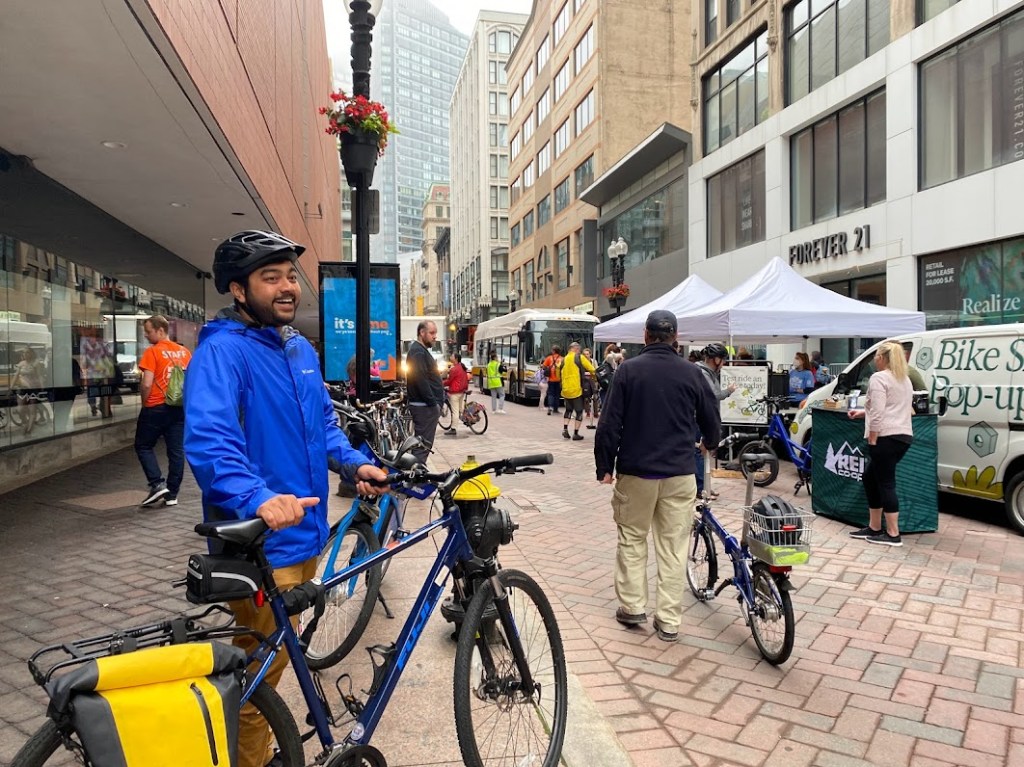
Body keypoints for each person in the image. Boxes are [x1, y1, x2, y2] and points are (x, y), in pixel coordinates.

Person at [183, 230, 389, 767]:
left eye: (290, 276)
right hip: (264, 544)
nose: (287, 287)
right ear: (237, 288)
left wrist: (352, 461)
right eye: (270, 277)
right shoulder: (221, 351)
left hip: (304, 535)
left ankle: (264, 751)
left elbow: (321, 425)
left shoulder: (297, 347)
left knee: (274, 661)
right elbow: (209, 440)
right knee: (258, 685)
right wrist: (257, 497)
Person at [595, 310, 721, 642]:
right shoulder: (692, 373)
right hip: (680, 472)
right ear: (675, 337)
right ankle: (668, 620)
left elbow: (609, 422)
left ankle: (634, 606)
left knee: (633, 539)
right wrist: (710, 442)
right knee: (673, 546)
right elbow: (711, 417)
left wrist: (604, 466)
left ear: (646, 335)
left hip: (637, 471)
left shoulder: (628, 372)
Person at [847, 341, 914, 547]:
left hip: (885, 436)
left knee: (885, 482)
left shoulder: (879, 378)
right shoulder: (904, 380)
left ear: (882, 358)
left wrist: (873, 437)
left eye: (876, 356)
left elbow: (878, 411)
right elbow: (897, 408)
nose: (875, 360)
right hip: (902, 436)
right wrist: (861, 414)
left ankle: (893, 533)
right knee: (870, 477)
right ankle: (875, 527)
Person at [135, 315, 192, 507]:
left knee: (143, 446)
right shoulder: (185, 352)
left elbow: (147, 383)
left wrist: (145, 403)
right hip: (178, 408)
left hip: (156, 406)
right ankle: (172, 494)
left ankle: (157, 484)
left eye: (148, 331)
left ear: (160, 330)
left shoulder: (152, 352)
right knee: (176, 451)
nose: (146, 335)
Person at [694, 342, 736, 499]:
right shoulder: (703, 373)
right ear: (716, 359)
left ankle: (705, 486)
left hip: (706, 417)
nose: (724, 363)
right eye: (723, 360)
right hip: (700, 418)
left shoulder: (708, 373)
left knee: (704, 454)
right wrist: (729, 391)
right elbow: (713, 395)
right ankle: (700, 489)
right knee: (699, 452)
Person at [406, 320, 445, 464]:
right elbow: (420, 378)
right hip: (424, 407)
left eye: (436, 333)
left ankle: (416, 472)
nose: (435, 336)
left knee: (424, 444)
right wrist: (433, 403)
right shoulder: (417, 351)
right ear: (422, 333)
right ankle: (415, 477)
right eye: (432, 333)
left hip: (425, 406)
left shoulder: (420, 350)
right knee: (423, 445)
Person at [559, 341, 595, 440]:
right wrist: (595, 378)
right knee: (579, 411)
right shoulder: (579, 357)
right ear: (575, 349)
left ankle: (565, 429)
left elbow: (559, 372)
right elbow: (591, 369)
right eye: (578, 349)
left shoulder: (564, 359)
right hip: (577, 389)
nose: (579, 351)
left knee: (568, 410)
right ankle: (576, 433)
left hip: (566, 390)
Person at [13, 346, 44, 437]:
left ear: (31, 353)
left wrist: (42, 388)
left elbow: (39, 376)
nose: (25, 354)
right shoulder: (21, 364)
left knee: (32, 410)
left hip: (33, 389)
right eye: (23, 353)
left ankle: (29, 431)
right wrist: (11, 387)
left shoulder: (36, 363)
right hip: (22, 389)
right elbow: (16, 376)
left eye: (27, 352)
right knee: (20, 409)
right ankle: (26, 424)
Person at [443, 350, 469, 432]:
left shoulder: (454, 369)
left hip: (455, 392)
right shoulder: (462, 367)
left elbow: (449, 381)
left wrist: (441, 383)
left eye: (452, 356)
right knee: (461, 409)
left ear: (456, 358)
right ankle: (468, 419)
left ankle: (453, 428)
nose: (450, 357)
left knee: (455, 412)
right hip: (462, 391)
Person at [581, 347, 599, 429]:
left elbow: (596, 370)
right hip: (585, 381)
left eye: (587, 354)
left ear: (590, 354)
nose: (586, 356)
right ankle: (588, 411)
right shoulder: (581, 362)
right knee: (586, 397)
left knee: (595, 397)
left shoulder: (593, 361)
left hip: (593, 380)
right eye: (585, 354)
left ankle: (595, 412)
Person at [541, 345, 563, 414]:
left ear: (553, 351)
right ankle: (556, 409)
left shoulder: (549, 358)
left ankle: (550, 407)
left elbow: (543, 366)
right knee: (557, 394)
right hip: (559, 379)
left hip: (551, 379)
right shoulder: (562, 359)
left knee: (551, 393)